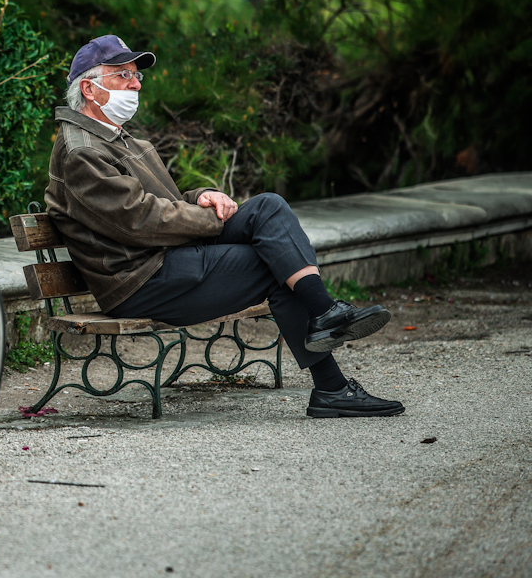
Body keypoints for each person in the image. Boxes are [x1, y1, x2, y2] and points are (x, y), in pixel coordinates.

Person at [45, 35, 404, 418]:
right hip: (140, 280)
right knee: (273, 264)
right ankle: (332, 385)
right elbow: (140, 220)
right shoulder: (83, 152)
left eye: (136, 76)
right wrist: (210, 221)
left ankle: (326, 314)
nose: (135, 85)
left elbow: (158, 202)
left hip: (164, 257)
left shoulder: (118, 138)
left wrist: (201, 195)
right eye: (123, 76)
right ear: (89, 87)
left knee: (269, 206)